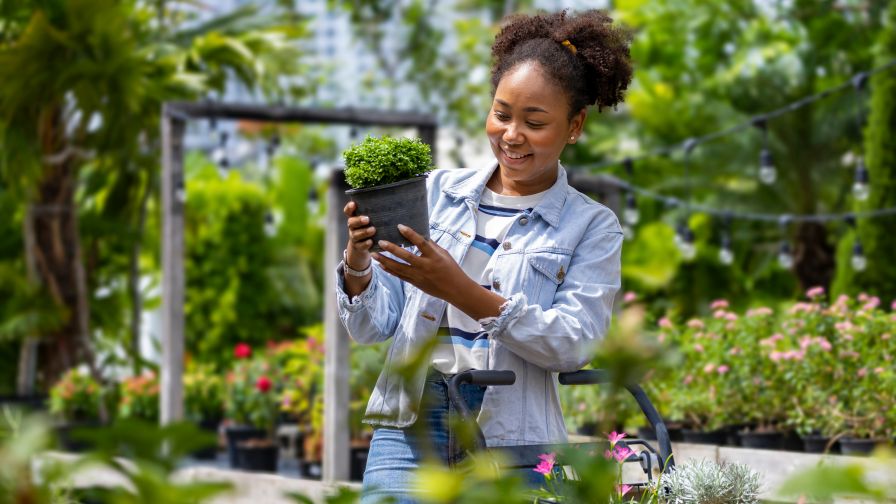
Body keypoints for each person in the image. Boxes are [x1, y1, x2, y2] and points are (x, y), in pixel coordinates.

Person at [336, 9, 632, 503]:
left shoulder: (591, 226)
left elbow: (573, 344)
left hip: (513, 435)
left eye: (535, 122)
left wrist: (462, 292)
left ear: (574, 125)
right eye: (502, 114)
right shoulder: (435, 192)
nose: (512, 135)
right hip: (410, 423)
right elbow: (371, 327)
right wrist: (359, 263)